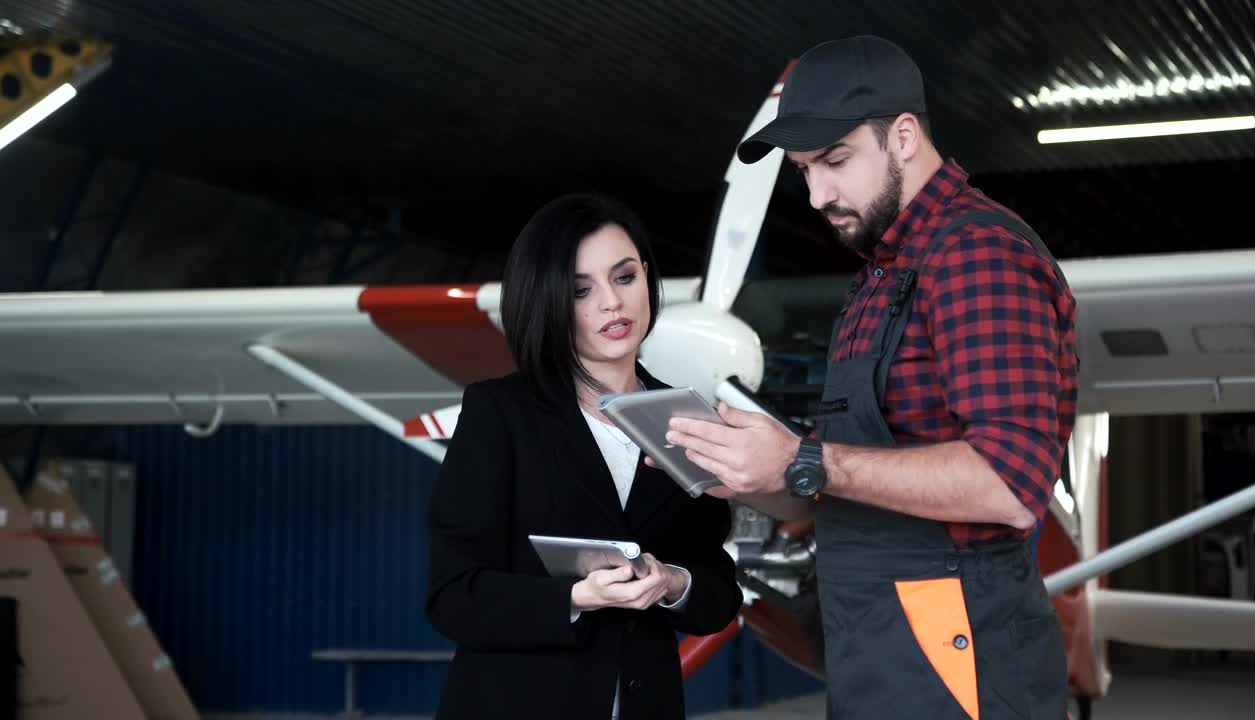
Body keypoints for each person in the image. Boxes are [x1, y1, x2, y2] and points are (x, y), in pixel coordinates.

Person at [664, 36, 1079, 718]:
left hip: (958, 657)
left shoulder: (978, 256)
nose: (817, 194)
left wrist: (805, 459)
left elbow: (1010, 486)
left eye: (834, 161)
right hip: (878, 654)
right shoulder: (880, 278)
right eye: (803, 171)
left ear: (906, 136)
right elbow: (841, 488)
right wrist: (750, 469)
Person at [425, 193, 743, 720]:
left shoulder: (685, 419)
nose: (611, 304)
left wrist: (673, 584)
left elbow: (719, 595)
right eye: (580, 290)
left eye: (624, 277)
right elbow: (453, 595)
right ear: (547, 299)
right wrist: (576, 597)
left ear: (647, 278)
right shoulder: (500, 413)